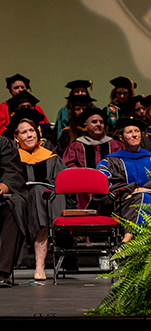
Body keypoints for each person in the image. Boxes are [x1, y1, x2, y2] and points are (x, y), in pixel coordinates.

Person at [6, 109, 66, 281]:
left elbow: (60, 182)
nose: (29, 135)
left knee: (40, 194)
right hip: (21, 199)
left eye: (32, 130)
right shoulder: (11, 157)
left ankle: (40, 265)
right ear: (16, 138)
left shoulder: (50, 156)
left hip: (48, 199)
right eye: (24, 132)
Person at [98, 117, 151, 242]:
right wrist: (132, 190)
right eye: (130, 132)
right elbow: (104, 184)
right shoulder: (111, 161)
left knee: (143, 197)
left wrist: (142, 190)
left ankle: (127, 240)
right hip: (123, 203)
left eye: (136, 131)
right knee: (142, 198)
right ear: (121, 138)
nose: (134, 135)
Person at [0, 134, 27, 286]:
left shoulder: (3, 143)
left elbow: (11, 170)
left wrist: (4, 185)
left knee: (16, 204)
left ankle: (2, 272)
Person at [63, 106, 123, 172]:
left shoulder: (115, 145)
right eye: (94, 122)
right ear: (86, 126)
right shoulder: (75, 146)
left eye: (101, 122)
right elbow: (70, 167)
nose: (98, 124)